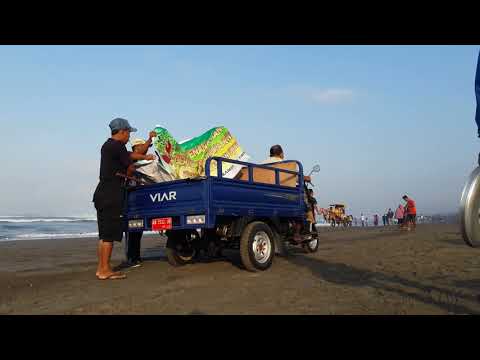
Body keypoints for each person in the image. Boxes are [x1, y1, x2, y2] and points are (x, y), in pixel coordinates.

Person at [92, 118, 155, 280]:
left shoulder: (108, 146)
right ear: (122, 132)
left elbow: (130, 154)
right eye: (128, 133)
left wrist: (145, 156)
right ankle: (105, 270)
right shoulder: (117, 146)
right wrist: (143, 160)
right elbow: (130, 163)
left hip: (102, 194)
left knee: (104, 235)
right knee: (109, 236)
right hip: (112, 194)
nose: (129, 137)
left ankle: (101, 268)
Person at [121, 133, 158, 269]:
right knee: (132, 230)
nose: (146, 150)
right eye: (143, 147)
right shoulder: (130, 159)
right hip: (131, 200)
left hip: (143, 201)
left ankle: (135, 257)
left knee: (137, 230)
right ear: (136, 148)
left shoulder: (145, 163)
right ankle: (132, 258)